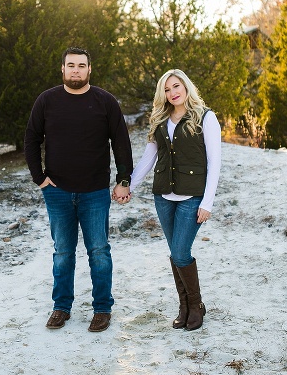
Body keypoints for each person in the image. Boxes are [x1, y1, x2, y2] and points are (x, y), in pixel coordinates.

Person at [24, 47, 133, 333]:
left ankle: (102, 309)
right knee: (62, 252)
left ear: (89, 70)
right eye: (70, 65)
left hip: (95, 192)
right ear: (62, 69)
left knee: (99, 250)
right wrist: (40, 178)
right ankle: (61, 307)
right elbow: (31, 139)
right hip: (57, 192)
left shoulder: (105, 102)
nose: (76, 70)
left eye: (81, 65)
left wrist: (124, 179)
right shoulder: (47, 101)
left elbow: (121, 141)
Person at [122, 69, 221, 331]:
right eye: (166, 89)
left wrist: (207, 203)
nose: (172, 92)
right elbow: (147, 159)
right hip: (164, 196)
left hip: (192, 197)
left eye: (176, 86)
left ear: (186, 86)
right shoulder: (160, 119)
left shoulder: (206, 118)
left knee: (180, 252)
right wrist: (128, 185)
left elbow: (215, 163)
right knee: (176, 253)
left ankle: (196, 305)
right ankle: (184, 306)